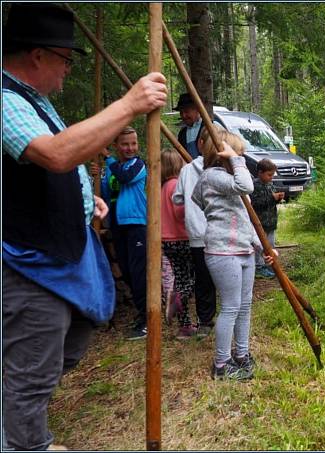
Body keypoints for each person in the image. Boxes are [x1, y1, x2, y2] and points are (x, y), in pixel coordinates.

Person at [2, 3, 167, 450]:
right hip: (28, 257)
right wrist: (130, 104)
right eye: (65, 60)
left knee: (72, 340)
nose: (67, 72)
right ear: (37, 55)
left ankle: (18, 422)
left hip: (61, 245)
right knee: (33, 370)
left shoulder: (34, 101)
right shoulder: (4, 99)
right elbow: (56, 154)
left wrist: (82, 199)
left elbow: (61, 163)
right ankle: (25, 443)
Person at [192, 125, 267, 381]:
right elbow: (247, 185)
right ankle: (221, 364)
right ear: (223, 154)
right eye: (238, 155)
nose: (242, 160)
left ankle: (242, 353)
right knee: (231, 306)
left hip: (243, 249)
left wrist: (262, 245)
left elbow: (243, 217)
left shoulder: (228, 182)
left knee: (245, 305)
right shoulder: (213, 176)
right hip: (223, 252)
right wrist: (235, 162)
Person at [106, 127, 149, 340]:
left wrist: (108, 160)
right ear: (117, 146)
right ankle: (143, 311)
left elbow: (125, 178)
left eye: (133, 143)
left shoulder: (138, 165)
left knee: (139, 271)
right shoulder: (114, 167)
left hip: (137, 223)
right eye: (125, 144)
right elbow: (108, 192)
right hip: (118, 224)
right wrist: (101, 176)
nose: (130, 148)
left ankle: (147, 319)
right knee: (127, 270)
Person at [172, 145, 218, 338]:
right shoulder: (228, 168)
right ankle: (231, 317)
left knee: (203, 279)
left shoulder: (187, 170)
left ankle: (205, 321)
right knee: (224, 278)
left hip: (197, 234)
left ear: (200, 145)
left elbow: (177, 198)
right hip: (222, 234)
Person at [161, 148, 197, 339]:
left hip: (167, 241)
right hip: (181, 239)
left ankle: (185, 327)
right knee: (193, 279)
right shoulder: (175, 185)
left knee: (181, 279)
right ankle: (176, 302)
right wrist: (192, 207)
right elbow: (178, 212)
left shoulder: (162, 186)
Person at [251, 158, 284, 277]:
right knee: (259, 246)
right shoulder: (254, 186)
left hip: (271, 222)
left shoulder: (270, 185)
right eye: (269, 175)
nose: (271, 177)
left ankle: (269, 265)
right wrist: (272, 198)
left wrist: (278, 198)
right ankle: (258, 266)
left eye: (273, 175)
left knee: (270, 245)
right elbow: (254, 203)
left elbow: (272, 200)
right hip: (260, 223)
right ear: (260, 172)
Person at [175, 93, 203, 159]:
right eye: (181, 113)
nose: (183, 116)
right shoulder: (182, 133)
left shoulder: (209, 127)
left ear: (197, 110)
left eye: (186, 111)